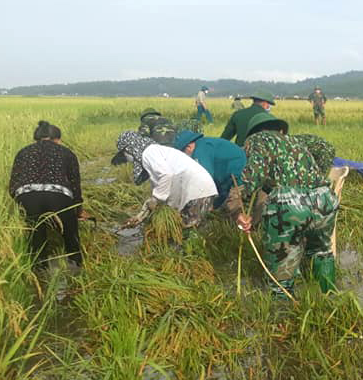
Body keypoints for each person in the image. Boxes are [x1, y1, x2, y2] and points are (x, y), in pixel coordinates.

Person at [227, 112, 338, 295]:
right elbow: (325, 149)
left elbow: (249, 180)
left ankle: (282, 316)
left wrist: (236, 211)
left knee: (280, 278)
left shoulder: (257, 140)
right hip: (324, 198)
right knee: (321, 252)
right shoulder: (294, 141)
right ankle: (330, 299)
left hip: (289, 202)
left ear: (254, 131)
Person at [9, 121, 85, 272]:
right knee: (70, 232)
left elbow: (13, 185)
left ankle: (40, 276)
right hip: (59, 195)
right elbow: (75, 185)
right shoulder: (67, 153)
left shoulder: (23, 152)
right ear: (57, 139)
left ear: (37, 138)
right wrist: (78, 211)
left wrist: (21, 204)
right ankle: (75, 268)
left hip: (27, 195)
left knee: (36, 237)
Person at [112, 131, 217, 228]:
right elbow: (162, 183)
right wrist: (143, 212)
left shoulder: (149, 152)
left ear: (129, 148)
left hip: (198, 190)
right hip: (202, 188)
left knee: (190, 230)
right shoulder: (156, 151)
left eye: (124, 154)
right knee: (195, 228)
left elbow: (166, 175)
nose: (127, 158)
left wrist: (157, 199)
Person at [173, 131, 246, 208]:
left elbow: (205, 179)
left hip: (236, 175)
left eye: (182, 153)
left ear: (189, 147)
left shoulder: (200, 151)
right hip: (224, 176)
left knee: (231, 208)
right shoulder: (202, 144)